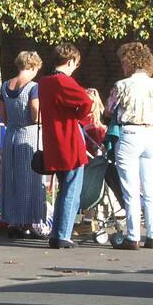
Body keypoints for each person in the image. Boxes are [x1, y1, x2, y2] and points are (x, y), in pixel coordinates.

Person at [107, 42, 153, 250]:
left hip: (130, 132)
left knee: (131, 190)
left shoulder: (121, 85)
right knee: (151, 188)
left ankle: (133, 236)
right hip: (151, 132)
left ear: (128, 62)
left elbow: (109, 109)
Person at [36, 43, 92, 248]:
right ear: (70, 61)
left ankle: (56, 233)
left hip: (53, 140)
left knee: (63, 188)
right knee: (72, 188)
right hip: (68, 138)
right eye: (74, 65)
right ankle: (63, 234)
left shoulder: (43, 81)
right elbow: (86, 101)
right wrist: (77, 115)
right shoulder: (63, 81)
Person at [0, 51, 47, 237]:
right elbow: (35, 111)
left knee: (11, 179)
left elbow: (3, 116)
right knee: (29, 179)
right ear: (33, 66)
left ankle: (13, 220)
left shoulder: (5, 86)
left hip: (10, 135)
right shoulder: (33, 87)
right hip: (28, 135)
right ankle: (29, 220)